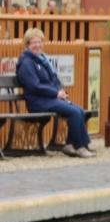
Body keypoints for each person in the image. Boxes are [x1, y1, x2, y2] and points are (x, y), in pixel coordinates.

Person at [16, 28, 94, 158]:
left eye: (40, 42)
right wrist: (55, 94)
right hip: (37, 102)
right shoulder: (26, 63)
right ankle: (79, 147)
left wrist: (60, 91)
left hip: (48, 99)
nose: (38, 45)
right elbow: (35, 86)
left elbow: (51, 80)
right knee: (74, 112)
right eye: (34, 42)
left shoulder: (41, 60)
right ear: (28, 45)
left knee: (79, 110)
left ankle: (71, 144)